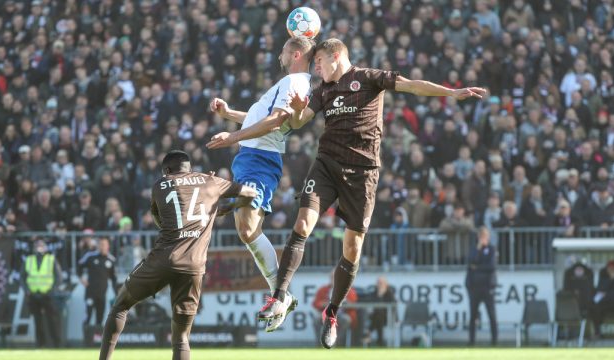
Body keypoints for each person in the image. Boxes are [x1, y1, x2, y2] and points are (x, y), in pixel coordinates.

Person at [223, 38, 484, 348]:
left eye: (319, 61)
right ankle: (279, 296)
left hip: (362, 174)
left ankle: (332, 312)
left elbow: (413, 86)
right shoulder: (322, 92)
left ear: (336, 56)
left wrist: (450, 92)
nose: (315, 67)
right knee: (303, 224)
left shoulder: (370, 78)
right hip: (326, 167)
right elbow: (299, 120)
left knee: (352, 248)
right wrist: (295, 111)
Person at [99, 150, 256, 360]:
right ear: (189, 168)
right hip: (193, 266)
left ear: (166, 170)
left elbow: (162, 222)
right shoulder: (211, 181)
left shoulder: (159, 185)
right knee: (181, 337)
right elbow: (250, 193)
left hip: (163, 259)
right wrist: (227, 208)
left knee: (121, 304)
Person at [206, 36, 315, 331]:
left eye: (283, 50)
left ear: (295, 53)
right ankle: (281, 294)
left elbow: (276, 121)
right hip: (252, 155)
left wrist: (232, 137)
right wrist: (229, 115)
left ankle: (280, 294)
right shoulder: (289, 83)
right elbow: (262, 117)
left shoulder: (296, 82)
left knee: (249, 226)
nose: (279, 54)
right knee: (246, 229)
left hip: (259, 157)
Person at [22, 238, 62, 348]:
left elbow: (58, 277)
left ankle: (56, 344)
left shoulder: (51, 259)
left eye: (41, 246)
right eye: (37, 246)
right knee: (37, 320)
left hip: (47, 295)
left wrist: (52, 290)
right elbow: (22, 277)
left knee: (52, 320)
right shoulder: (29, 260)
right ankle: (40, 344)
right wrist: (27, 290)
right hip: (34, 295)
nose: (39, 248)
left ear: (45, 248)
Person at [466, 227, 498, 346]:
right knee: (473, 316)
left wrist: (477, 268)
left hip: (488, 286)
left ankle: (494, 341)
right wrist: (478, 250)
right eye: (481, 236)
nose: (483, 238)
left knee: (492, 315)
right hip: (474, 287)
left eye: (484, 236)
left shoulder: (492, 249)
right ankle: (471, 341)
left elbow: (491, 266)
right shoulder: (474, 249)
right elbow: (470, 263)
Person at [78, 237, 118, 326]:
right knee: (88, 316)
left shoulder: (111, 260)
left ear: (108, 246)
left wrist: (116, 294)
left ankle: (97, 338)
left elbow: (114, 278)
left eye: (104, 245)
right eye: (100, 244)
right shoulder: (90, 256)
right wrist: (81, 278)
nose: (102, 247)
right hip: (90, 292)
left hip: (102, 294)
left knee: (100, 318)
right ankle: (87, 338)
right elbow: (79, 265)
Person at [591, 260, 614, 338]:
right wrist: (610, 280)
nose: (611, 270)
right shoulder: (603, 278)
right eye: (610, 268)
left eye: (613, 268)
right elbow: (600, 290)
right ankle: (597, 332)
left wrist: (607, 294)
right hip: (605, 303)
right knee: (595, 309)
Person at [367, 276, 396, 347]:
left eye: (381, 283)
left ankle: (368, 332)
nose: (379, 285)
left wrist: (381, 296)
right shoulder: (374, 293)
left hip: (387, 318)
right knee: (378, 317)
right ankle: (380, 342)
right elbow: (371, 304)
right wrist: (379, 296)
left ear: (386, 284)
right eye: (378, 283)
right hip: (375, 317)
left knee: (379, 315)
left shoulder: (390, 294)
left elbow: (393, 307)